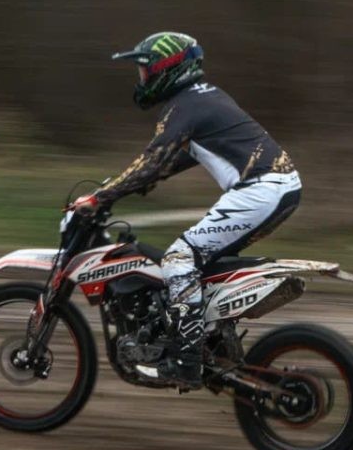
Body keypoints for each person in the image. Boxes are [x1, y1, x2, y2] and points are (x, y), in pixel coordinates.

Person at [67, 31, 302, 389]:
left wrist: (100, 197)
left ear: (167, 69)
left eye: (145, 70)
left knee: (179, 258)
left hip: (260, 190)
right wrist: (138, 183)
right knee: (202, 263)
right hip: (280, 188)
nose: (141, 79)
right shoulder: (204, 97)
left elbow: (152, 160)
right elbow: (177, 159)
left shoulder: (184, 107)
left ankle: (186, 361)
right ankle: (214, 341)